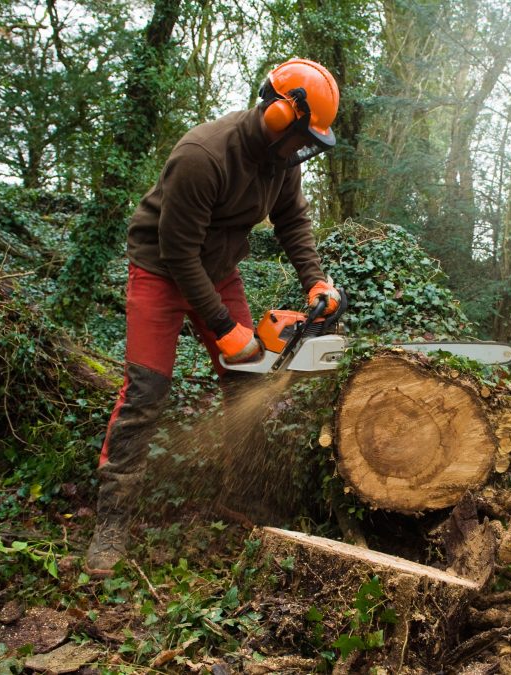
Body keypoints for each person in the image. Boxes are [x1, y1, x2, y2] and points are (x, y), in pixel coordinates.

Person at [84, 58, 343, 577]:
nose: (301, 149)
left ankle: (241, 495)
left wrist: (316, 279)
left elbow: (292, 219)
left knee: (246, 382)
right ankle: (111, 520)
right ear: (276, 114)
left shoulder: (282, 159)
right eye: (298, 135)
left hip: (219, 268)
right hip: (162, 269)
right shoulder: (203, 155)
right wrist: (225, 329)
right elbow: (177, 253)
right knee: (145, 391)